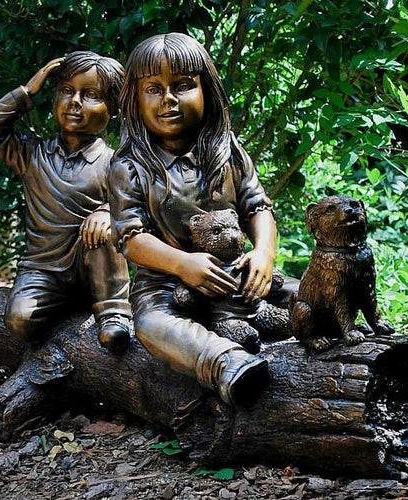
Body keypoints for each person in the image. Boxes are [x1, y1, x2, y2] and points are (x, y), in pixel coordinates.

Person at [108, 33, 289, 405]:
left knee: (302, 293)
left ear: (208, 90)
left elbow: (259, 207)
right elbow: (130, 237)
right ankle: (226, 363)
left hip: (238, 273)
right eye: (153, 89)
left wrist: (264, 254)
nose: (168, 99)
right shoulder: (129, 168)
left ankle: (343, 330)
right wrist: (182, 264)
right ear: (134, 99)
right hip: (167, 285)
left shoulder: (229, 153)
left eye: (183, 86)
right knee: (151, 325)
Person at [0, 51, 132, 353]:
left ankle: (113, 312)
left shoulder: (116, 163)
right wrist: (27, 91)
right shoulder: (32, 156)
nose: (74, 102)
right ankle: (65, 307)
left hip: (95, 266)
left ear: (112, 110)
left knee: (102, 228)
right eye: (66, 91)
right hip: (43, 269)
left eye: (90, 95)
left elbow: (139, 210)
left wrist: (108, 212)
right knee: (19, 321)